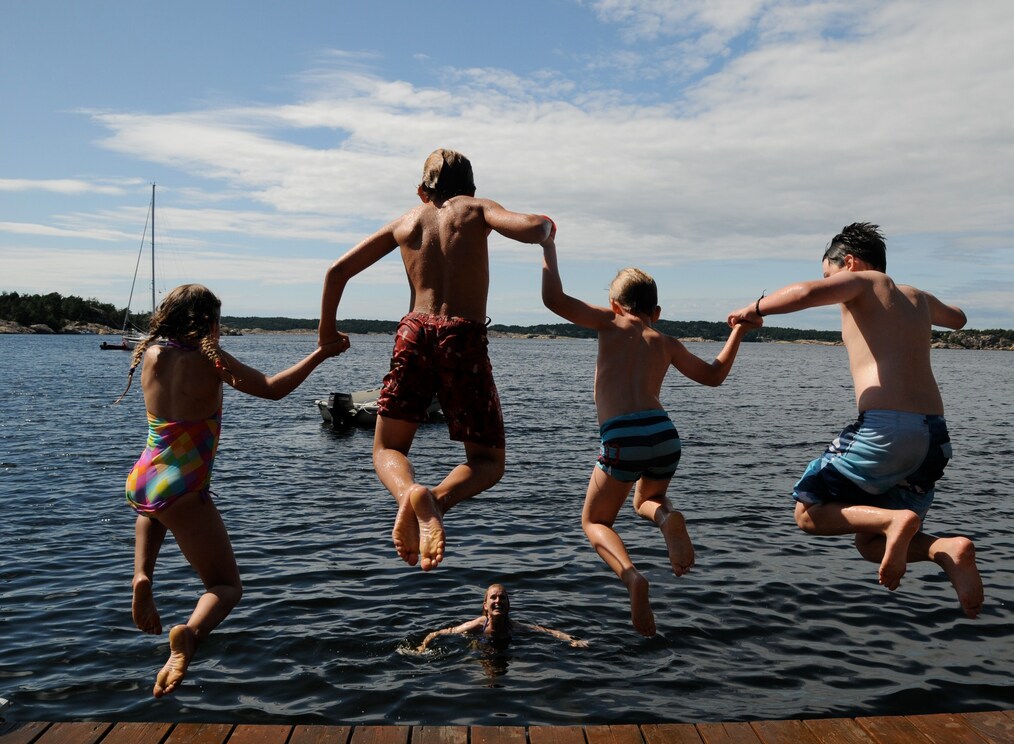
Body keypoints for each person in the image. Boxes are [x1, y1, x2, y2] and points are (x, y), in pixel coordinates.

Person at [727, 222, 984, 618]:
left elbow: (806, 293)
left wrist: (754, 308)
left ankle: (898, 519)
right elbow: (959, 319)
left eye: (830, 274)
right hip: (933, 437)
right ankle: (944, 549)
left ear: (850, 263)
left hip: (887, 428)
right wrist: (923, 305)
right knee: (869, 543)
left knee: (808, 512)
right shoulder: (916, 296)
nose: (829, 284)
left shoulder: (862, 283)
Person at [318, 149, 551, 572]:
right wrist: (546, 228)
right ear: (472, 188)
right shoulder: (476, 209)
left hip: (413, 331)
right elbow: (531, 226)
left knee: (387, 447)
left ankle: (409, 493)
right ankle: (437, 501)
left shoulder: (406, 222)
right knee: (488, 461)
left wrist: (327, 334)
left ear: (423, 191)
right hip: (462, 334)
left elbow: (336, 271)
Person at [119, 283, 347, 698]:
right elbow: (273, 388)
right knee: (225, 586)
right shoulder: (207, 359)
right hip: (183, 482)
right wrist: (321, 353)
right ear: (208, 322)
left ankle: (142, 576)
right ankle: (189, 634)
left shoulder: (150, 354)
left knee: (153, 512)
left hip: (145, 475)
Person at [541, 225, 756, 636]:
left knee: (594, 521)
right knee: (648, 499)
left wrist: (548, 246)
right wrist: (738, 330)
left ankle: (632, 578)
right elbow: (713, 376)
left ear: (615, 304)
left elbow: (554, 300)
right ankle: (668, 519)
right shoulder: (666, 340)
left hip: (623, 436)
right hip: (664, 433)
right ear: (656, 311)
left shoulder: (610, 322)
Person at [416, 584, 588, 651]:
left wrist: (571, 640)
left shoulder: (514, 627)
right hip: (480, 647)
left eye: (502, 597)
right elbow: (438, 633)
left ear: (508, 605)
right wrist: (422, 647)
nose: (498, 601)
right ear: (485, 606)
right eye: (493, 598)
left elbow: (548, 632)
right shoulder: (477, 625)